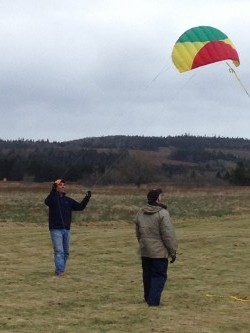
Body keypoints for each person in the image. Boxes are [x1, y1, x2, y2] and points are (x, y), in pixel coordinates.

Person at [134, 188, 177, 306]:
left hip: (145, 250)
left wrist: (143, 244)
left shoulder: (140, 212)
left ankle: (148, 297)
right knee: (159, 276)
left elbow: (138, 233)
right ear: (158, 198)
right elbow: (168, 235)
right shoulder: (163, 213)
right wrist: (172, 251)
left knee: (147, 275)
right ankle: (153, 301)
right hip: (159, 252)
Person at [44, 179, 91, 276]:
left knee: (66, 252)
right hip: (56, 229)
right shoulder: (52, 199)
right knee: (59, 251)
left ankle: (60, 270)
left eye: (63, 185)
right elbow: (47, 202)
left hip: (66, 229)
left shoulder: (68, 200)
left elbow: (80, 207)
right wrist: (53, 191)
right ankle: (59, 271)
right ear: (56, 187)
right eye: (60, 185)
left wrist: (87, 197)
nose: (63, 186)